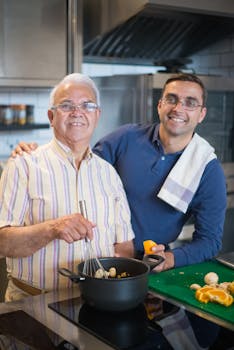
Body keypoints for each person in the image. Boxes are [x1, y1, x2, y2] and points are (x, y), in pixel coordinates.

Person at [14, 73, 227, 272]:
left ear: (202, 114)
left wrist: (169, 258)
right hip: (100, 255)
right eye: (171, 99)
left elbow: (210, 241)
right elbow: (78, 164)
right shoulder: (126, 138)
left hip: (150, 262)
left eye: (190, 103)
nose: (178, 108)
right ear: (160, 105)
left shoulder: (206, 168)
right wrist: (38, 153)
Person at [0, 73, 135, 301]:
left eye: (87, 105)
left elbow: (123, 246)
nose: (77, 112)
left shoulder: (108, 174)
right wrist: (52, 228)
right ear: (51, 116)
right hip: (32, 304)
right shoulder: (23, 165)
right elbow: (2, 244)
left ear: (97, 115)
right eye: (66, 105)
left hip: (95, 302)